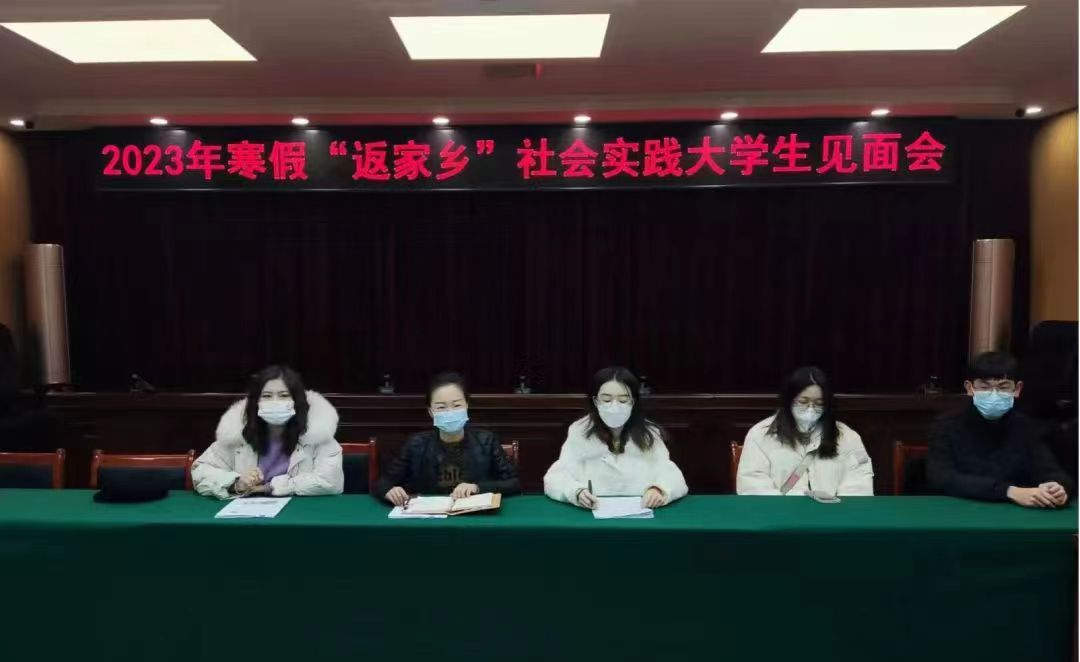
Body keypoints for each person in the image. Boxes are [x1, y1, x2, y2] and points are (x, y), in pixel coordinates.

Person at [928, 351, 1074, 508]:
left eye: (1003, 387)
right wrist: (1008, 491)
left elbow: (1052, 471)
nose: (994, 394)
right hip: (959, 509)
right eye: (985, 387)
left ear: (1017, 389)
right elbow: (942, 477)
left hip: (1014, 515)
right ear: (970, 388)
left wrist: (1058, 488)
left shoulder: (1028, 428)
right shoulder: (946, 426)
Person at [544, 366, 687, 508]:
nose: (614, 407)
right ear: (595, 401)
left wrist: (658, 489)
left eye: (623, 400)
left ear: (633, 401)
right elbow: (556, 477)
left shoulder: (649, 434)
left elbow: (671, 475)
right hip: (594, 512)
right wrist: (577, 492)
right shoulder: (580, 432)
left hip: (641, 511)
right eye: (606, 400)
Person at [192, 365, 343, 499]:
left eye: (284, 395)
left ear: (297, 401)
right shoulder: (236, 435)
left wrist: (271, 487)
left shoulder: (318, 436)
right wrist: (236, 482)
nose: (275, 401)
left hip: (298, 513)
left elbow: (331, 481)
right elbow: (200, 471)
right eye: (266, 396)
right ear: (256, 402)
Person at [376, 372, 521, 506]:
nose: (450, 412)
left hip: (474, 516)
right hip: (430, 517)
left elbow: (514, 483)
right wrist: (389, 490)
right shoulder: (416, 444)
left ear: (466, 405)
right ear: (430, 411)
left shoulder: (486, 441)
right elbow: (383, 482)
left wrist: (477, 488)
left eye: (457, 405)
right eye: (441, 407)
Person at [737, 366, 873, 496]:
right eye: (803, 402)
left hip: (832, 510)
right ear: (789, 400)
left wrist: (839, 508)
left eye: (819, 403)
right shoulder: (760, 434)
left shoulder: (848, 436)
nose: (811, 408)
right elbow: (752, 483)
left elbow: (859, 481)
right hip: (780, 510)